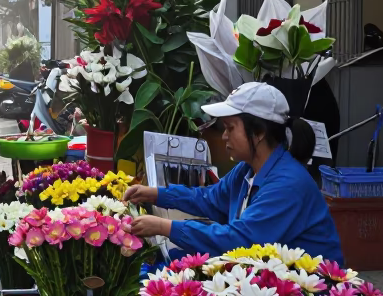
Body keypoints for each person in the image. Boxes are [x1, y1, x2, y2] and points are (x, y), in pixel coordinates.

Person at [124, 82, 342, 262]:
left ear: (258, 133)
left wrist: (164, 227)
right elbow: (211, 199)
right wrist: (155, 194)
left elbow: (240, 241)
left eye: (230, 128)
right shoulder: (247, 170)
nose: (225, 137)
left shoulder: (288, 184)